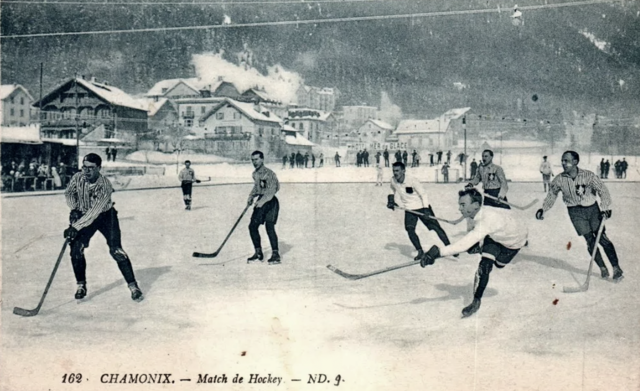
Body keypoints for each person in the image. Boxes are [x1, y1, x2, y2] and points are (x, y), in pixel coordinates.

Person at [419, 188, 528, 318]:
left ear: (476, 205)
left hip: (514, 243)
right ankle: (476, 300)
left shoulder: (487, 220)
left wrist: (438, 252)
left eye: (463, 205)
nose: (459, 208)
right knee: (485, 266)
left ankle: (481, 248)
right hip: (494, 237)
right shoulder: (477, 213)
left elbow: (463, 244)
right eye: (460, 204)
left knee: (499, 264)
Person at [63, 153, 143, 302]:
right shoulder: (77, 177)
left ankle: (133, 287)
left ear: (99, 168)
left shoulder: (105, 185)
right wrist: (74, 208)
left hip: (106, 217)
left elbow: (94, 212)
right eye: (84, 167)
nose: (86, 172)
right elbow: (69, 193)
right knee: (75, 249)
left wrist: (76, 226)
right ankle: (81, 285)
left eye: (91, 168)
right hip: (84, 215)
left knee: (116, 251)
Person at [535, 151, 623, 281]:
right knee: (590, 240)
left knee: (602, 238)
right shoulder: (559, 179)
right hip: (575, 212)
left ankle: (616, 267)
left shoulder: (588, 176)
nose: (563, 163)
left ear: (575, 162)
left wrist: (605, 208)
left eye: (567, 160)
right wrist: (543, 209)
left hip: (592, 210)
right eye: (562, 160)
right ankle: (602, 267)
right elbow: (552, 195)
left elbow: (602, 190)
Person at [387, 162, 453, 261]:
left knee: (436, 228)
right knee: (410, 230)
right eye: (394, 171)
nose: (395, 173)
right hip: (409, 209)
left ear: (403, 171)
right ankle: (420, 251)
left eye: (397, 171)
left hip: (422, 207)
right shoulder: (393, 180)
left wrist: (426, 210)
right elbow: (392, 189)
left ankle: (451, 249)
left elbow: (423, 194)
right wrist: (391, 200)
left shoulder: (412, 180)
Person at [246, 151, 281, 265]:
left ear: (262, 159)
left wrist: (261, 202)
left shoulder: (269, 173)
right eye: (252, 160)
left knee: (269, 226)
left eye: (256, 159)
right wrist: (251, 196)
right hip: (261, 201)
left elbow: (272, 190)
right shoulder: (255, 174)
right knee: (252, 226)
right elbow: (257, 187)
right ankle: (258, 252)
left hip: (270, 202)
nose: (254, 162)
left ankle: (275, 254)